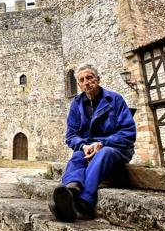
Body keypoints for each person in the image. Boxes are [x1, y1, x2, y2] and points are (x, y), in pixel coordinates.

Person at [49, 63, 136, 222]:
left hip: (115, 149)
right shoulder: (76, 105)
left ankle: (84, 203)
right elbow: (71, 135)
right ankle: (70, 190)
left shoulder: (115, 99)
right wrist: (84, 146)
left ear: (98, 79)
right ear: (79, 84)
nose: (86, 82)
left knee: (104, 153)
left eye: (89, 77)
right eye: (81, 80)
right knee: (77, 156)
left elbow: (128, 133)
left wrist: (102, 143)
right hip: (88, 149)